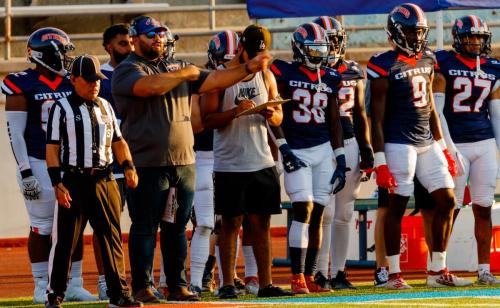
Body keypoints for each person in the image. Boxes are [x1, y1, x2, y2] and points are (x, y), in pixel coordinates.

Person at [111, 16, 271, 302]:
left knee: (177, 226)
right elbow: (150, 87)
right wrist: (185, 74)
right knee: (146, 226)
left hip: (183, 160)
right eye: (150, 35)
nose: (157, 39)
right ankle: (143, 286)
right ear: (135, 39)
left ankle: (177, 284)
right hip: (148, 162)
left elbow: (215, 79)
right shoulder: (126, 69)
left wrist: (247, 68)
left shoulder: (175, 67)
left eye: (160, 34)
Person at [368, 3, 471, 289]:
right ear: (397, 32)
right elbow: (375, 118)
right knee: (397, 205)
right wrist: (380, 161)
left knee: (447, 200)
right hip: (398, 142)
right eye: (412, 32)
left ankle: (437, 271)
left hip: (427, 140)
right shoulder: (382, 63)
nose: (417, 38)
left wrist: (444, 148)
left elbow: (431, 110)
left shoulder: (428, 58)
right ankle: (393, 274)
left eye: (420, 32)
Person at [2, 27, 95, 303]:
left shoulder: (72, 81)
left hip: (71, 163)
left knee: (75, 223)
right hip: (38, 161)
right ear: (48, 54)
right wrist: (25, 171)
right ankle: (41, 284)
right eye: (63, 52)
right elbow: (15, 133)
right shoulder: (22, 83)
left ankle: (74, 283)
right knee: (42, 226)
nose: (67, 58)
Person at [202, 24, 291, 299]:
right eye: (252, 54)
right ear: (241, 49)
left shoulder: (265, 74)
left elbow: (278, 117)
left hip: (261, 158)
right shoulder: (220, 77)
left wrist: (270, 115)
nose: (256, 59)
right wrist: (234, 112)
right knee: (230, 223)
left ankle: (265, 283)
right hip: (230, 163)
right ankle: (227, 283)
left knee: (261, 224)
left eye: (260, 55)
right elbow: (207, 120)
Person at [44, 55, 141, 308]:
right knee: (66, 240)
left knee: (111, 237)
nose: (94, 85)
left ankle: (119, 294)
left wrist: (129, 166)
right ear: (74, 80)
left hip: (105, 178)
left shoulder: (106, 106)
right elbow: (52, 148)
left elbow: (119, 141)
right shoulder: (61, 107)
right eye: (88, 80)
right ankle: (55, 293)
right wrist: (57, 183)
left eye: (97, 80)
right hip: (74, 180)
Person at [269, 22, 347, 294]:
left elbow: (334, 120)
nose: (318, 54)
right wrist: (284, 148)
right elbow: (272, 110)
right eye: (313, 49)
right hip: (296, 148)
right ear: (299, 49)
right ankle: (297, 276)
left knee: (319, 214)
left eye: (321, 49)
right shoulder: (284, 72)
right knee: (304, 209)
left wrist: (341, 158)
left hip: (323, 149)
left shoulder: (331, 77)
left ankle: (312, 275)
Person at [434, 15, 500, 285]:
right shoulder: (444, 62)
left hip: (483, 143)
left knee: (484, 207)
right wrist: (448, 148)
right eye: (470, 37)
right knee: (452, 206)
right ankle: (441, 268)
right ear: (458, 39)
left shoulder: (494, 67)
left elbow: (496, 114)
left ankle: (484, 269)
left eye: (479, 38)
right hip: (456, 141)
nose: (475, 42)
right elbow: (437, 111)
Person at [312, 16, 374, 290]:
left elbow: (360, 113)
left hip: (349, 142)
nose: (333, 46)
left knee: (344, 213)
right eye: (327, 41)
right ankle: (316, 272)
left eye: (336, 40)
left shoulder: (353, 70)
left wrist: (367, 148)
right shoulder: (308, 71)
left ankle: (338, 272)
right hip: (320, 143)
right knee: (323, 212)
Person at [95, 22, 134, 301]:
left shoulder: (140, 72)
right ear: (108, 46)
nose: (129, 47)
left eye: (131, 42)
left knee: (146, 225)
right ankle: (105, 280)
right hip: (110, 163)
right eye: (122, 43)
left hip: (140, 161)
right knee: (105, 226)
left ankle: (143, 280)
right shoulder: (99, 79)